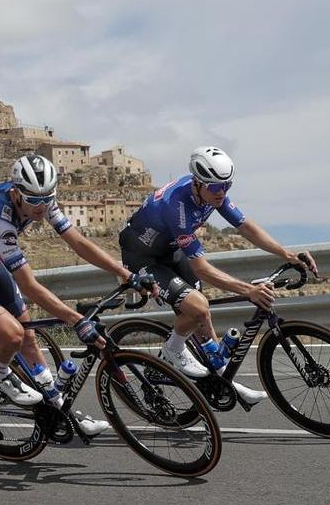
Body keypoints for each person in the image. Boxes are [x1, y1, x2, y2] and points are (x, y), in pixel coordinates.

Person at [0, 154, 156, 436]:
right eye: (34, 201)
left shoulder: (42, 200)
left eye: (47, 199)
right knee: (12, 334)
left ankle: (61, 409)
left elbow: (77, 242)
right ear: (16, 192)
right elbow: (29, 286)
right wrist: (76, 320)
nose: (41, 207)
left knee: (28, 337)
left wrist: (122, 272)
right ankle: (1, 376)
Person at [119, 146, 316, 405]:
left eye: (227, 186)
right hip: (141, 257)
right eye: (215, 188)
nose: (221, 193)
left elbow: (245, 226)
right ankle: (172, 351)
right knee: (197, 308)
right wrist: (248, 290)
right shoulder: (176, 206)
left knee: (202, 314)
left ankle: (223, 379)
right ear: (198, 183)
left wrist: (286, 254)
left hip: (170, 251)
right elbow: (201, 268)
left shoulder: (213, 194)